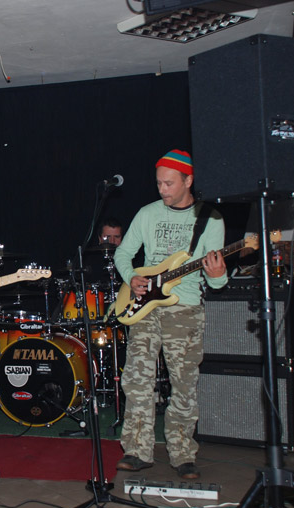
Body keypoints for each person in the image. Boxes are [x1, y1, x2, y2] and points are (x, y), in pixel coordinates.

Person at [112, 149, 226, 480]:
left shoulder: (210, 219)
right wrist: (131, 277)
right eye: (159, 183)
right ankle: (137, 450)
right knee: (137, 380)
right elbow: (123, 253)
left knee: (184, 384)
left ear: (188, 181)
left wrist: (218, 275)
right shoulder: (147, 213)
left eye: (169, 183)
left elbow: (216, 281)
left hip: (185, 308)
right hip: (145, 307)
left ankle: (182, 452)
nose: (162, 189)